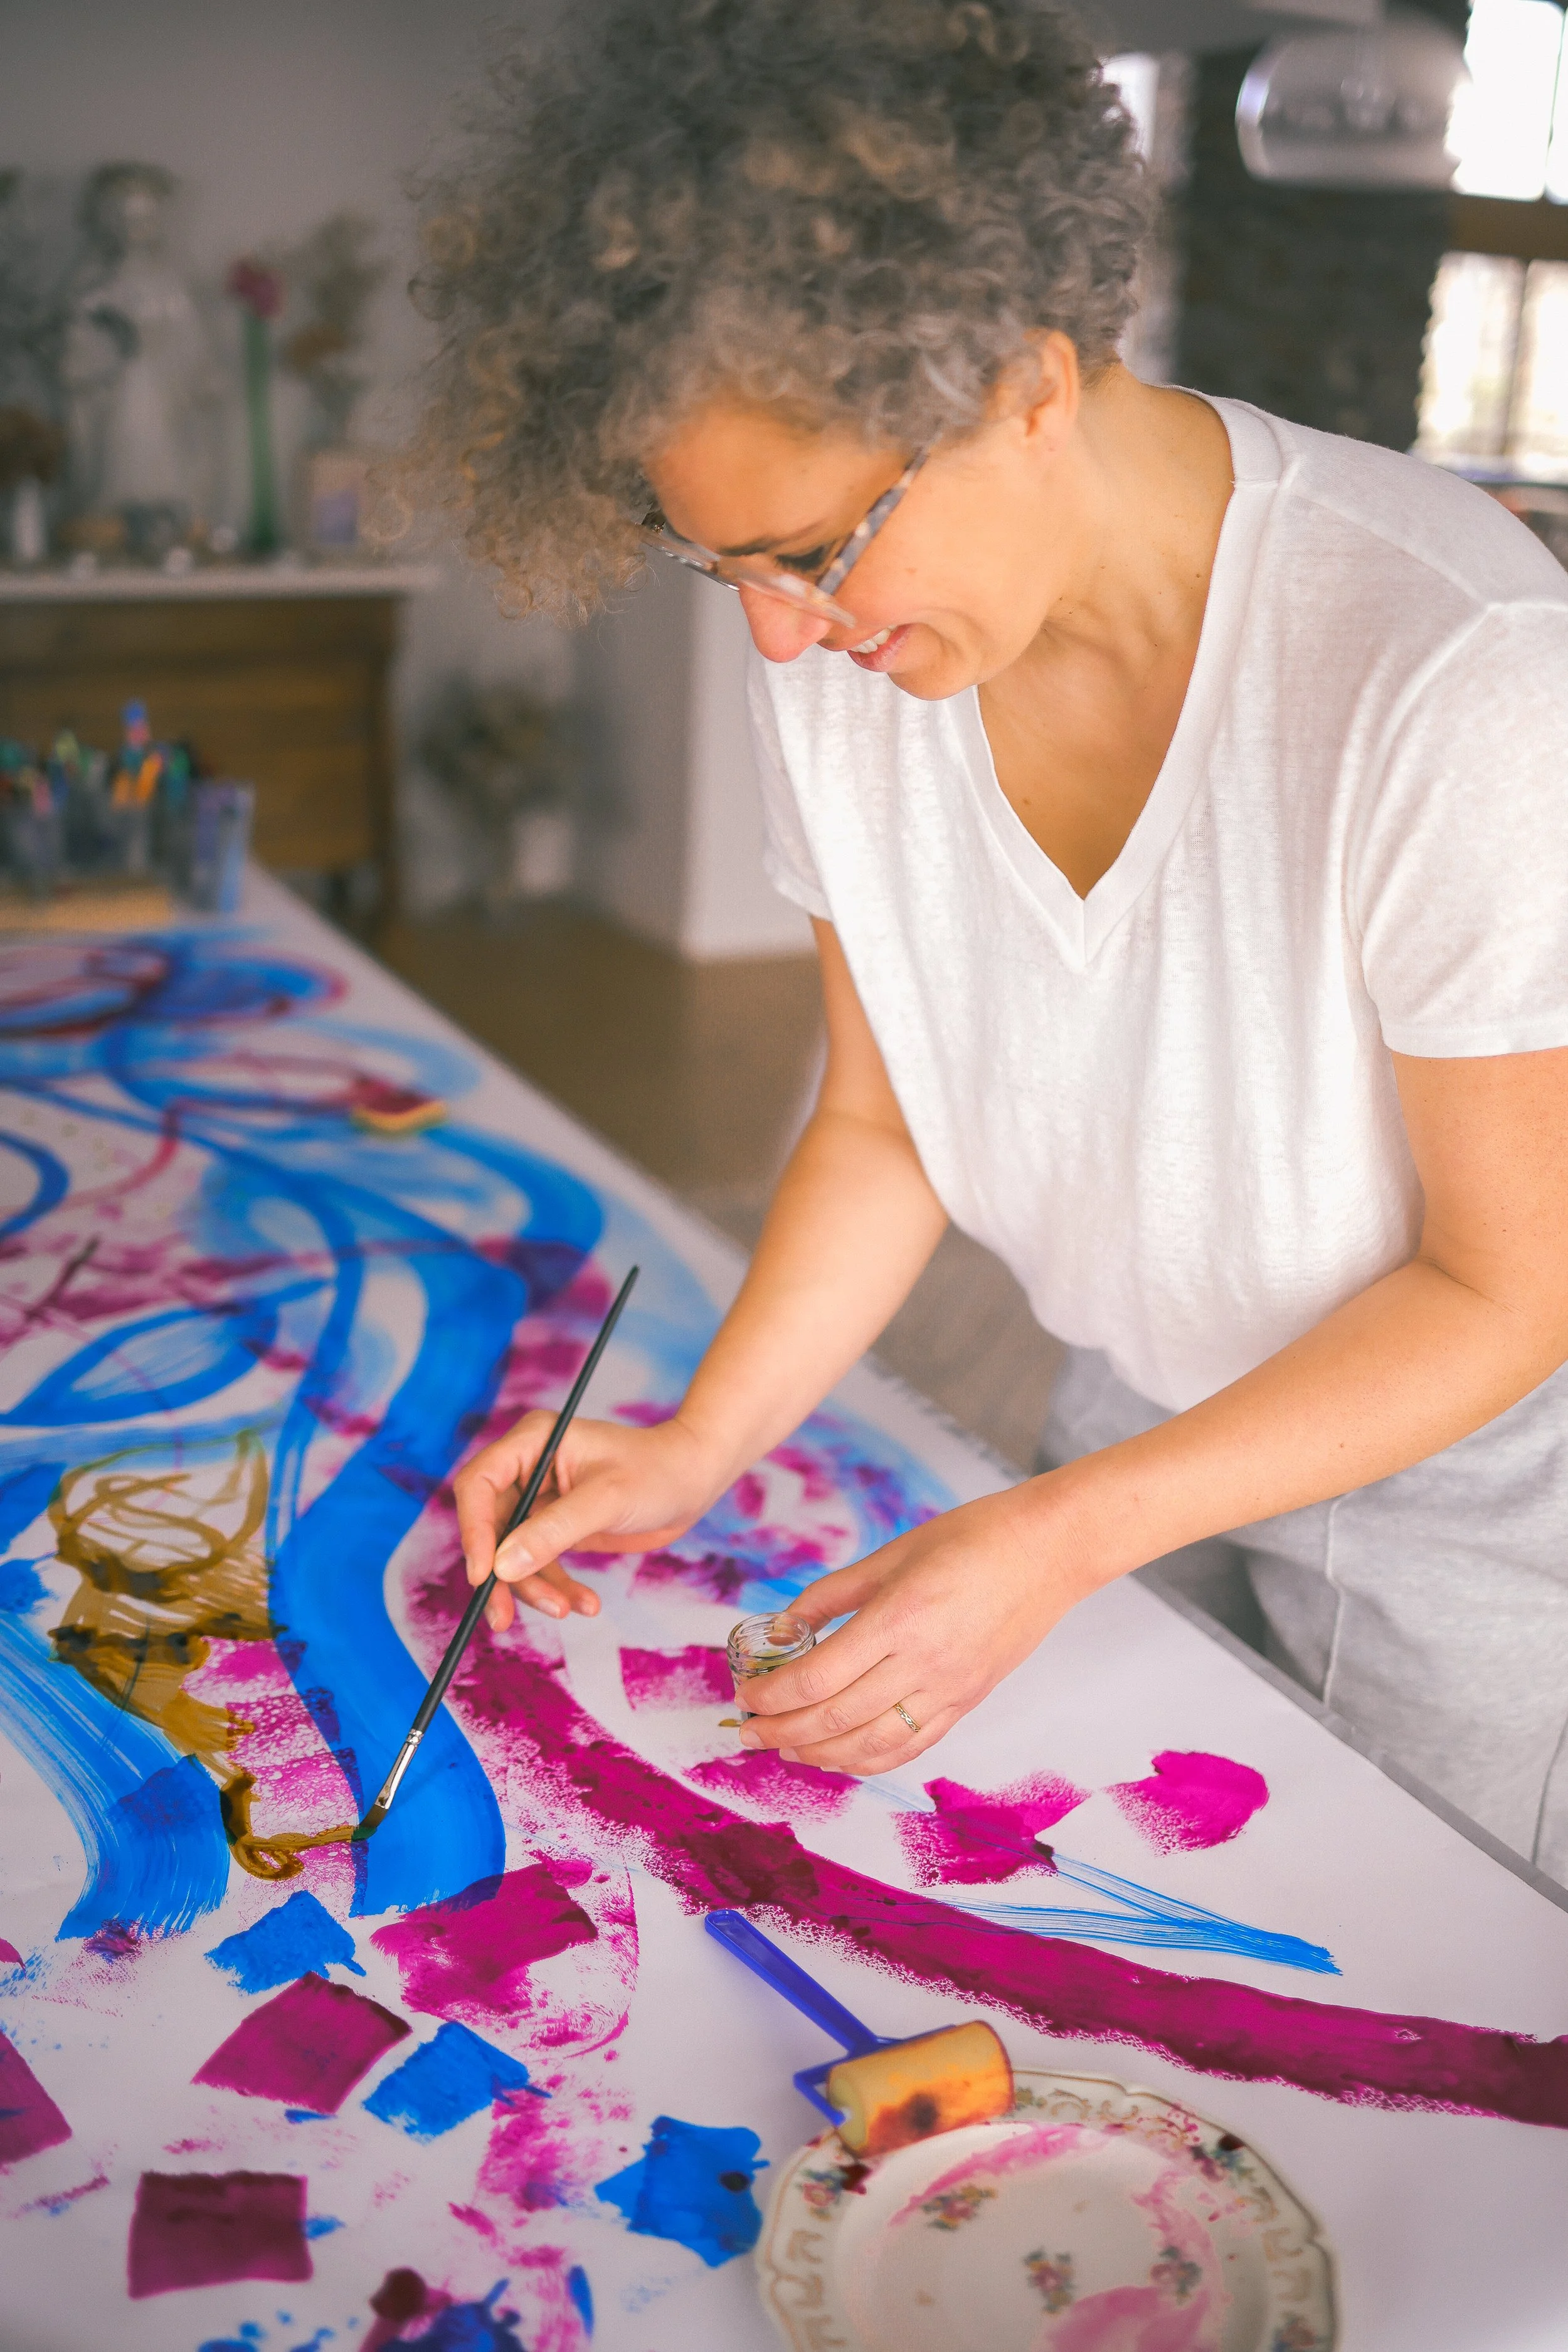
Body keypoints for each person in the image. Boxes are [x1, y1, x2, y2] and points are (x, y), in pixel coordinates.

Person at [425, 0, 1568, 1883]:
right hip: (1129, 1383)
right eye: (722, 567)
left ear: (1028, 385)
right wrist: (704, 1441)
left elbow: (1506, 1290)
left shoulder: (1457, 670)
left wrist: (1050, 1536)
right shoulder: (853, 654)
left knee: (1430, 1975)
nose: (779, 639)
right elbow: (884, 1129)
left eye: (811, 546)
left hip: (1455, 1485)